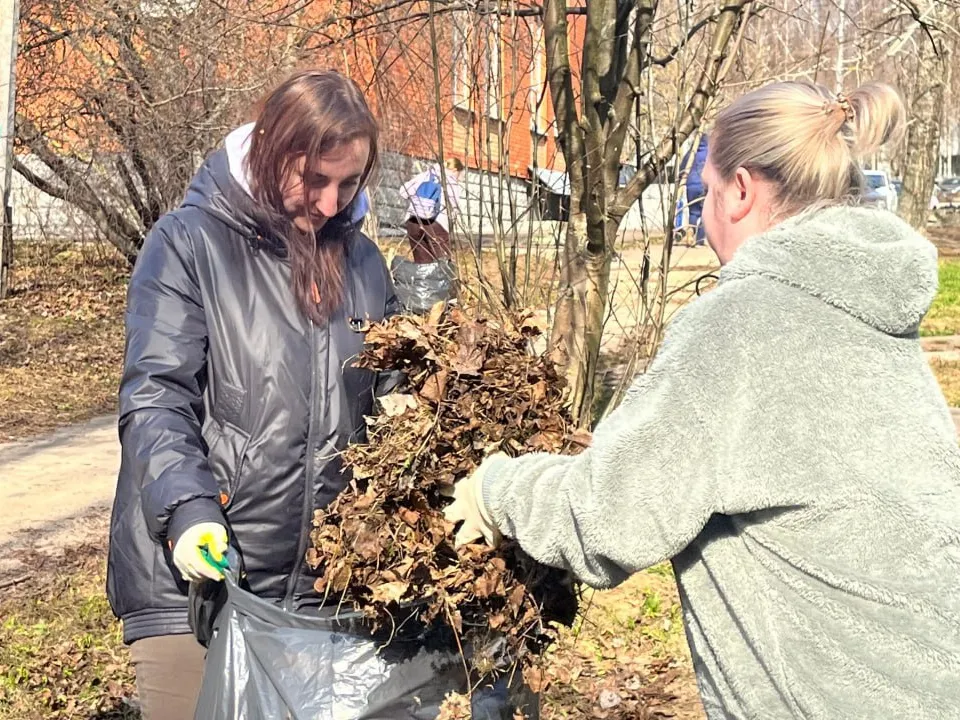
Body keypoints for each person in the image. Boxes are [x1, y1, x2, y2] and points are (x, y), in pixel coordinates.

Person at [445, 81, 960, 719]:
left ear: (741, 190)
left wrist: (494, 488)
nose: (704, 211)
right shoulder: (874, 317)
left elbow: (608, 518)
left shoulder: (745, 323)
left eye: (709, 192)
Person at [106, 69, 399, 720]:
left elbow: (390, 397)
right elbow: (156, 395)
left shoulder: (365, 265)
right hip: (200, 586)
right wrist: (188, 511)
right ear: (270, 153)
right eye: (312, 180)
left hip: (323, 597)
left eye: (347, 184)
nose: (329, 204)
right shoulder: (187, 245)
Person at [401, 157, 464, 263]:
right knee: (443, 266)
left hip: (414, 222)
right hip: (436, 224)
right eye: (460, 174)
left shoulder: (426, 175)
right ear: (454, 170)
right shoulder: (451, 181)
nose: (459, 177)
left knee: (423, 266)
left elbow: (403, 192)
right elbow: (453, 208)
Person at [674, 134, 709, 247]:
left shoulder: (691, 153)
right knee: (705, 213)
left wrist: (680, 182)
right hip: (704, 186)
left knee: (693, 212)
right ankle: (699, 240)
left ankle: (690, 232)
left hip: (691, 186)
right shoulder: (710, 153)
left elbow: (682, 168)